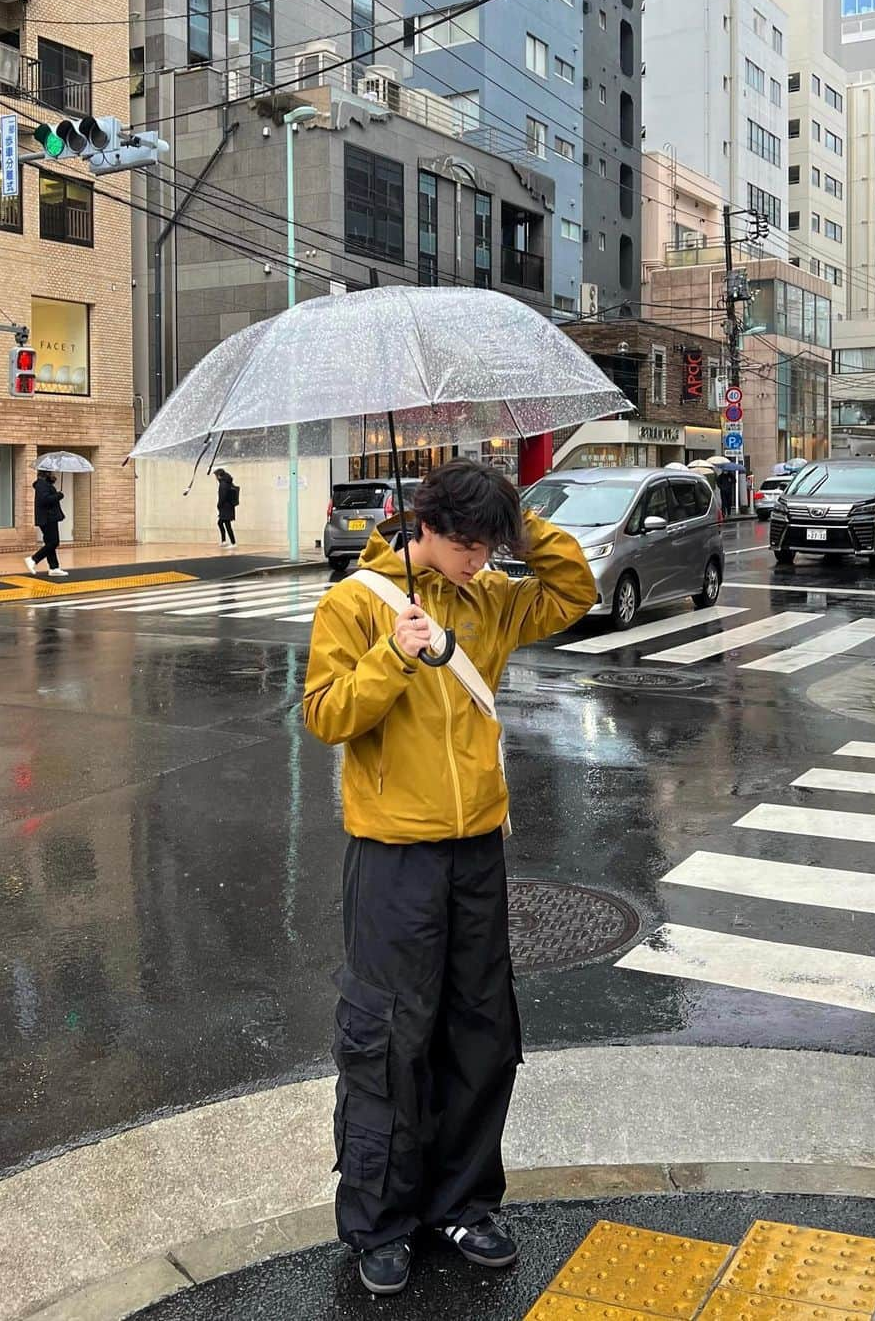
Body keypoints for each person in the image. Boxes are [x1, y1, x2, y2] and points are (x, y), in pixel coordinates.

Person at [303, 459, 596, 1297]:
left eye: (489, 547)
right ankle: (381, 1221)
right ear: (422, 526)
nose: (479, 559)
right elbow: (326, 715)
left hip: (477, 850)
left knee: (480, 1029)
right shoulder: (355, 603)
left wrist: (514, 517)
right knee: (389, 1037)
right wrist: (392, 659)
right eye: (468, 544)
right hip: (394, 854)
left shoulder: (488, 599)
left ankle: (464, 1202)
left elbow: (571, 591)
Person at [24, 472, 67, 578]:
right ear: (45, 474)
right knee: (54, 542)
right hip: (48, 518)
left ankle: (54, 567)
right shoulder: (42, 485)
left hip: (49, 517)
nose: (52, 474)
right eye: (50, 473)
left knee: (49, 542)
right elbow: (45, 500)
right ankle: (33, 559)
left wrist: (53, 487)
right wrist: (59, 495)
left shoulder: (44, 484)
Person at [215, 468, 239, 546]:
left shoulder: (223, 484)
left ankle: (232, 543)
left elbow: (222, 496)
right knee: (222, 523)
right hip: (228, 506)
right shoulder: (227, 482)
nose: (215, 478)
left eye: (216, 476)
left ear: (219, 476)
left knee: (225, 524)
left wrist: (218, 505)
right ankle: (225, 541)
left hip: (225, 507)